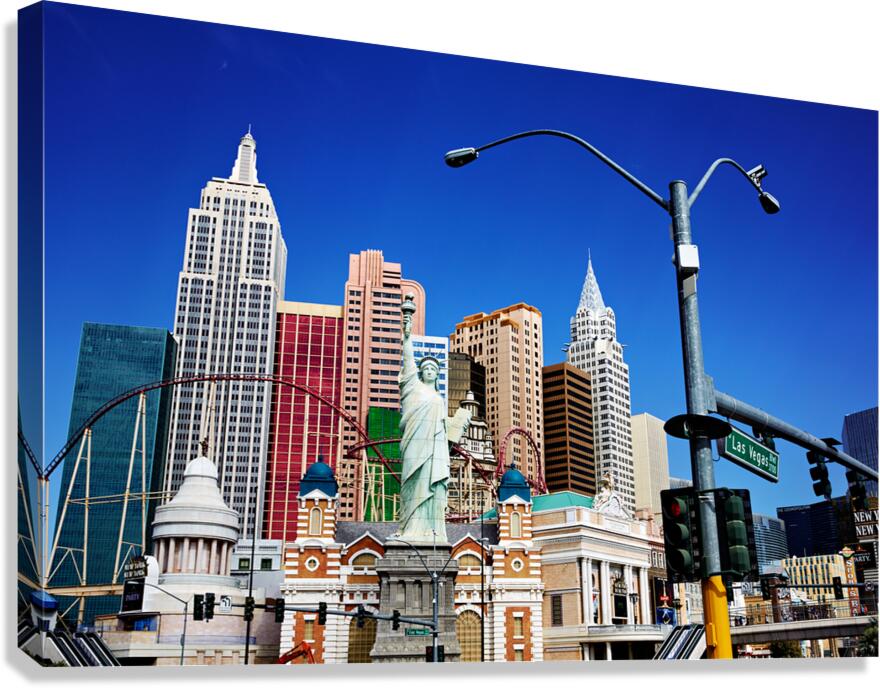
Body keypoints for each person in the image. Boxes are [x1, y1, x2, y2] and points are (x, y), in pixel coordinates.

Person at [395, 294, 456, 543]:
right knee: (412, 485)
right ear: (420, 372)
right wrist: (407, 329)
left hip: (436, 450)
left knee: (435, 489)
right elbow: (407, 358)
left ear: (438, 374)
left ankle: (433, 530)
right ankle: (410, 530)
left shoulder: (439, 399)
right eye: (426, 368)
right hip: (414, 447)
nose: (430, 371)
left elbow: (444, 429)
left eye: (434, 369)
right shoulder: (413, 387)